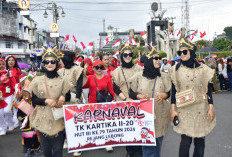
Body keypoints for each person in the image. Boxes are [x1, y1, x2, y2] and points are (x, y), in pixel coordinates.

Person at [169, 38, 216, 157]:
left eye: (185, 52)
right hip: (184, 109)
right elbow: (174, 91)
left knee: (200, 141)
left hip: (201, 108)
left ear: (191, 52)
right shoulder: (175, 69)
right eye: (180, 53)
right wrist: (173, 109)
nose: (182, 55)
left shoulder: (202, 68)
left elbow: (208, 90)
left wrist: (211, 107)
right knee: (185, 141)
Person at [129, 48, 171, 157]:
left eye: (159, 58)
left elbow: (169, 93)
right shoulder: (138, 76)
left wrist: (164, 95)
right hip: (144, 117)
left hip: (160, 115)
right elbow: (131, 93)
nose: (159, 60)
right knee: (148, 149)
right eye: (155, 58)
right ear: (148, 61)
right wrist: (139, 96)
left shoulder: (164, 76)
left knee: (158, 146)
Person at [29, 47, 70, 157]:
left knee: (58, 152)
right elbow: (33, 99)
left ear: (57, 63)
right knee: (46, 152)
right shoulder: (37, 80)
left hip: (59, 118)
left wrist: (63, 97)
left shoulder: (63, 80)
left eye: (52, 61)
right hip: (43, 119)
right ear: (44, 63)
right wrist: (45, 100)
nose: (50, 64)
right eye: (47, 62)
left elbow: (68, 95)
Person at [111, 43, 143, 157]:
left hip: (138, 104)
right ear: (122, 56)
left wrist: (136, 97)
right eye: (125, 55)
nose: (128, 57)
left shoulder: (139, 69)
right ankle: (129, 153)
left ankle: (138, 153)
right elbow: (115, 88)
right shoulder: (117, 71)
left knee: (138, 130)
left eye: (130, 54)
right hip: (124, 103)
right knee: (128, 131)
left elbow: (143, 84)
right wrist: (126, 99)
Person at [83, 60, 115, 152]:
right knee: (94, 123)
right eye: (97, 67)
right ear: (93, 68)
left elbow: (111, 90)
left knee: (105, 123)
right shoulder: (89, 78)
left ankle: (107, 142)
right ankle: (96, 140)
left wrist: (113, 100)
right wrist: (84, 73)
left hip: (104, 104)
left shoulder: (107, 77)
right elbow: (83, 86)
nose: (99, 69)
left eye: (101, 67)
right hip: (93, 103)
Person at [17, 79, 41, 157]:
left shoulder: (33, 103)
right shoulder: (22, 104)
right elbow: (19, 112)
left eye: (26, 95)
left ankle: (37, 149)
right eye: (23, 96)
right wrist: (19, 117)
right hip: (25, 125)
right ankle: (29, 149)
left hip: (33, 124)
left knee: (34, 138)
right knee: (27, 139)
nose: (25, 97)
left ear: (30, 95)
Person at [0, 58, 16, 135]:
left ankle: (11, 123)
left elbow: (13, 82)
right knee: (0, 113)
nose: (2, 66)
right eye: (0, 64)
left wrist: (15, 91)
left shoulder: (8, 72)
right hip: (0, 96)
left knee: (7, 111)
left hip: (8, 95)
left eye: (3, 64)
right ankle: (2, 128)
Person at [6, 55, 21, 128]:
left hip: (16, 91)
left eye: (12, 60)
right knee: (7, 109)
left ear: (15, 62)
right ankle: (8, 122)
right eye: (9, 60)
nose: (11, 62)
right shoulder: (5, 70)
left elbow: (20, 81)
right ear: (7, 62)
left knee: (15, 107)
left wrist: (19, 91)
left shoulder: (17, 70)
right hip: (7, 92)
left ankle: (16, 123)